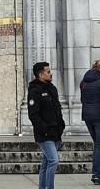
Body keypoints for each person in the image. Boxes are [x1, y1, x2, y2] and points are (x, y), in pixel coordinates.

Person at [27, 60, 65, 189]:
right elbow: (33, 114)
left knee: (46, 163)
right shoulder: (35, 90)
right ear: (40, 74)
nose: (51, 74)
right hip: (45, 134)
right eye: (48, 72)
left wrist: (61, 125)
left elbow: (57, 108)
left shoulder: (52, 88)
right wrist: (44, 129)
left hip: (55, 132)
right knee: (54, 161)